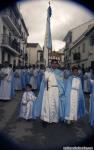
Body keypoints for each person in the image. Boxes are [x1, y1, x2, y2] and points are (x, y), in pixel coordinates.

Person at [34, 59, 65, 124]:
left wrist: (61, 91)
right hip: (48, 90)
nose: (54, 65)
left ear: (57, 65)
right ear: (51, 64)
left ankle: (54, 119)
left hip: (56, 90)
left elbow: (61, 82)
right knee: (47, 104)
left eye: (56, 63)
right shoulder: (47, 71)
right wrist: (47, 74)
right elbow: (44, 81)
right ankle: (46, 119)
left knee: (55, 104)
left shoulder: (60, 72)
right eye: (53, 63)